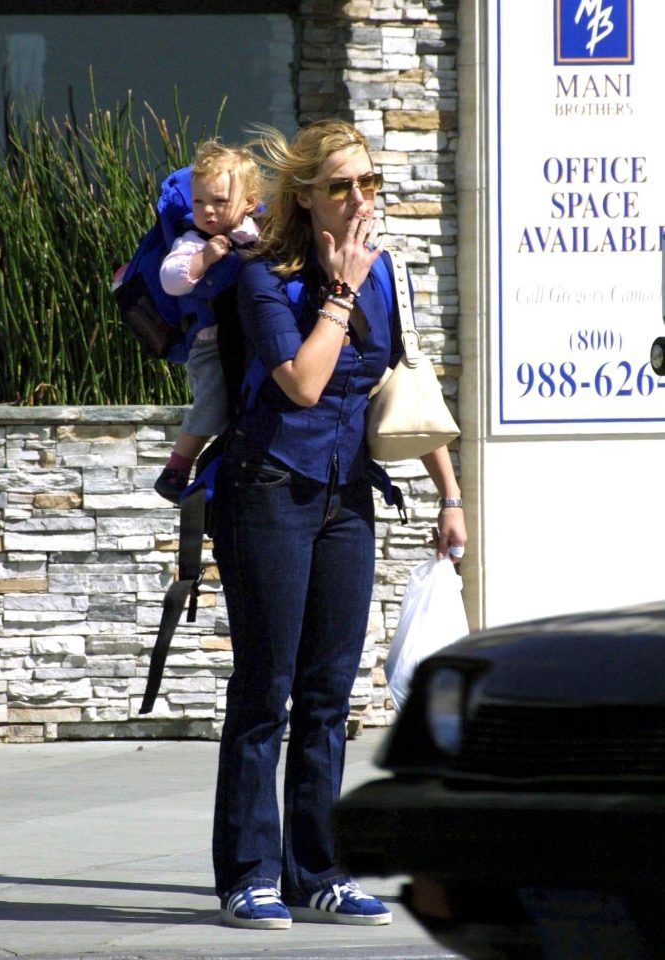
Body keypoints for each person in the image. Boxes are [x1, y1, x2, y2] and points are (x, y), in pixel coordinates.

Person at [210, 118, 467, 930]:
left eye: (369, 183)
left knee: (328, 694)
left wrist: (449, 497)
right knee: (266, 690)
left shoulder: (389, 271)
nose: (359, 199)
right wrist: (341, 288)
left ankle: (314, 870)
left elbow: (402, 384)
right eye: (340, 186)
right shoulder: (262, 276)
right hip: (268, 489)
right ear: (304, 197)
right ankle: (248, 874)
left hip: (346, 493)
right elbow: (303, 385)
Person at [153, 140, 262, 503]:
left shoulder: (258, 233)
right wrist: (203, 260)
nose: (208, 211)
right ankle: (177, 465)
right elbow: (172, 279)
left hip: (249, 340)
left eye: (219, 201)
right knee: (212, 404)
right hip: (211, 343)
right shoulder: (192, 239)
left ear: (248, 202)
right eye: (199, 202)